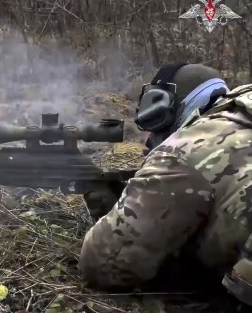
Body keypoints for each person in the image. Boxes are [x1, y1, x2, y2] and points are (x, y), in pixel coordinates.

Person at [79, 63, 252, 306]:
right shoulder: (243, 115)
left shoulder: (185, 151)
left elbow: (102, 264)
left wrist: (107, 206)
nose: (150, 137)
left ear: (171, 106)